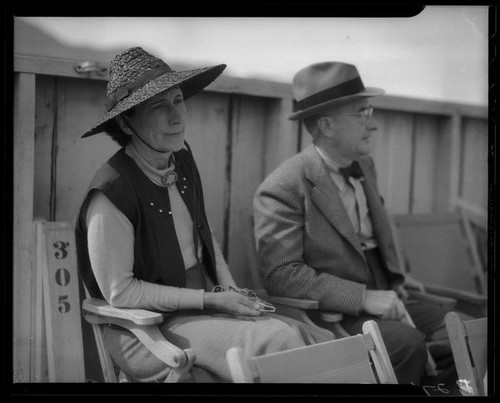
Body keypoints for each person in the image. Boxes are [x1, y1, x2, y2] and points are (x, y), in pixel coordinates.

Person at [75, 47, 329, 383]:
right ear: (125, 121)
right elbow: (121, 294)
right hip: (143, 327)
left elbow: (205, 235)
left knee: (317, 338)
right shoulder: (111, 192)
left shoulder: (180, 159)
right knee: (280, 340)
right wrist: (211, 301)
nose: (176, 116)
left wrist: (231, 292)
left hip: (200, 306)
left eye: (178, 100)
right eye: (158, 106)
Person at [253, 61, 457, 385]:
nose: (372, 124)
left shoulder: (363, 164)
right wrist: (363, 298)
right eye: (361, 113)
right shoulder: (284, 186)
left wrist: (396, 277)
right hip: (337, 313)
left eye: (369, 110)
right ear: (327, 125)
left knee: (461, 329)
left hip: (388, 292)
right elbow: (281, 276)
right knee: (407, 344)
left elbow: (369, 236)